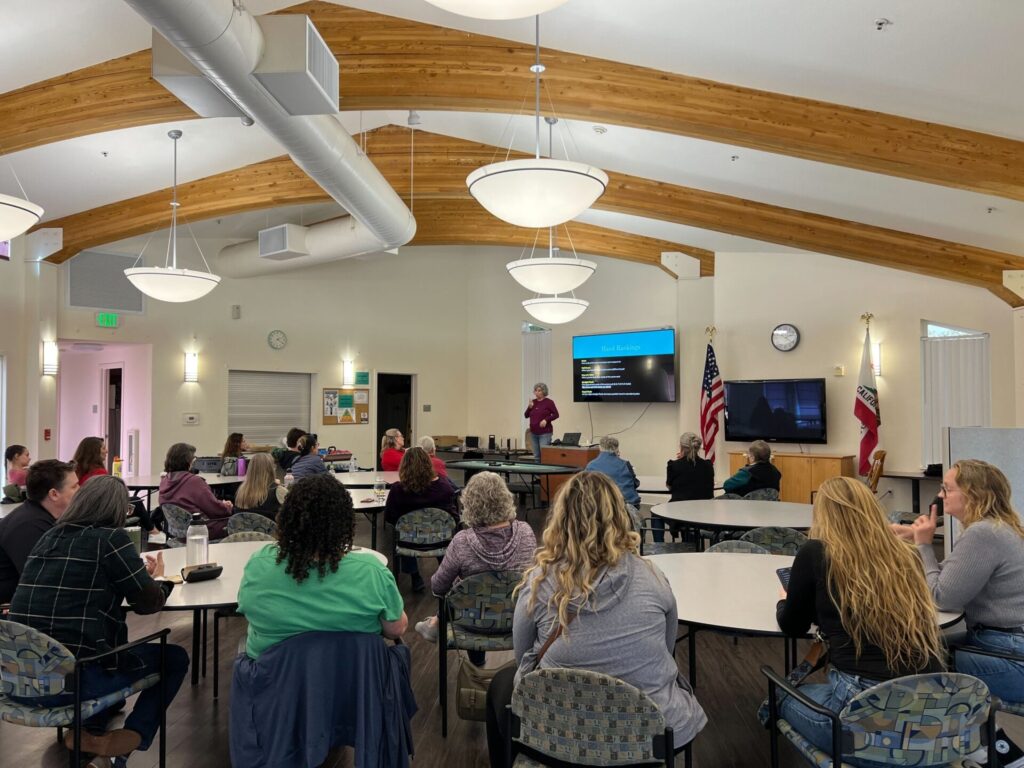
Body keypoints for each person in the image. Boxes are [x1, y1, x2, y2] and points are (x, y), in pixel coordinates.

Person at [485, 471, 706, 768]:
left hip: (554, 731)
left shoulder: (539, 582)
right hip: (647, 736)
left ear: (560, 519)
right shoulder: (653, 577)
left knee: (501, 684)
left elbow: (525, 652)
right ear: (620, 516)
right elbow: (667, 649)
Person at [7, 476, 190, 764]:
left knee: (99, 653)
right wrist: (160, 580)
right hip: (73, 681)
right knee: (174, 658)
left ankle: (90, 740)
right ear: (119, 510)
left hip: (20, 677)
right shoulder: (111, 539)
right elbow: (147, 603)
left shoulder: (49, 537)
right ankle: (131, 738)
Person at [777, 476, 943, 760]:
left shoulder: (816, 552)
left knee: (777, 695)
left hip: (862, 721)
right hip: (931, 715)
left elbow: (794, 625)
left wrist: (784, 601)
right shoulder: (906, 555)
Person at [893, 459, 1024, 705]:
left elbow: (942, 597)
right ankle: (983, 734)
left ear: (973, 494)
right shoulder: (999, 528)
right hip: (1008, 646)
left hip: (1009, 655)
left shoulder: (982, 534)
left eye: (947, 489)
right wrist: (915, 540)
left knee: (910, 657)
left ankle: (955, 734)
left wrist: (923, 545)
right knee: (918, 648)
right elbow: (948, 574)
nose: (941, 495)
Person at [237, 473, 407, 658]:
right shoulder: (371, 571)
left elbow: (247, 609)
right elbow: (395, 629)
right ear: (345, 521)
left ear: (287, 516)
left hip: (275, 682)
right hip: (354, 682)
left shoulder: (259, 565)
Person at [414, 471, 537, 658]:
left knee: (466, 591)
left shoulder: (462, 541)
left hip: (470, 623)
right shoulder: (526, 533)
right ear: (506, 498)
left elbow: (438, 587)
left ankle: (471, 659)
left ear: (469, 504)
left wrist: (459, 582)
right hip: (517, 620)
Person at [0, 460, 79, 603]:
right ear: (54, 494)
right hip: (12, 613)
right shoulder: (28, 527)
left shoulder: (39, 516)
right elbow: (46, 581)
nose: (80, 490)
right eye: (74, 486)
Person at [384, 447, 459, 593]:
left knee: (404, 531)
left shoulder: (398, 490)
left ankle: (415, 576)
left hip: (409, 542)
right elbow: (454, 516)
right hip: (440, 539)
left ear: (404, 466)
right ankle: (444, 574)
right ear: (428, 464)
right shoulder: (444, 487)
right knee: (439, 531)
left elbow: (390, 518)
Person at [158, 442, 232, 539]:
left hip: (178, 533)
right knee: (238, 521)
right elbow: (215, 510)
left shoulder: (164, 481)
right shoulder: (194, 482)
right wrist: (226, 507)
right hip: (202, 529)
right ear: (188, 461)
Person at [656, 432, 715, 542]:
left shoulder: (674, 465)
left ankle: (658, 544)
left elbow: (669, 486)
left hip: (679, 513)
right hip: (704, 513)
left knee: (656, 511)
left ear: (681, 447)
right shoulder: (708, 465)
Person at [585, 436, 641, 530]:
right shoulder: (624, 464)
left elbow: (585, 487)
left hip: (601, 507)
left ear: (600, 448)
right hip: (626, 507)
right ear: (617, 448)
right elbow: (635, 483)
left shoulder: (591, 465)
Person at [233, 452, 286, 521]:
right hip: (272, 530)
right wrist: (279, 486)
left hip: (245, 531)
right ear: (271, 469)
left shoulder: (241, 492)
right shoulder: (277, 491)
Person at [524, 382, 558, 462]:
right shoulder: (533, 402)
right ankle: (537, 474)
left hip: (545, 434)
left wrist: (546, 420)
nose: (537, 392)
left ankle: (544, 474)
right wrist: (529, 407)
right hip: (533, 433)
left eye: (539, 390)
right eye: (535, 390)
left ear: (544, 391)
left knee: (544, 456)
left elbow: (556, 414)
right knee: (536, 456)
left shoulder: (549, 402)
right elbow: (526, 415)